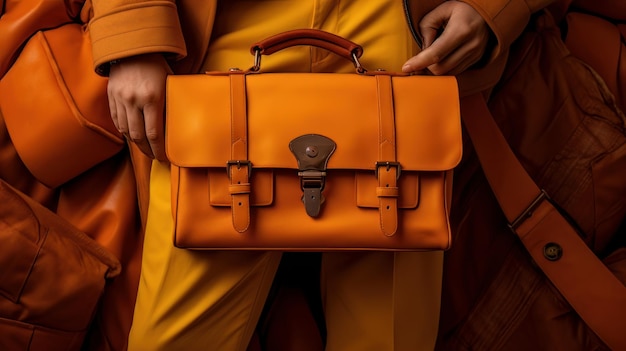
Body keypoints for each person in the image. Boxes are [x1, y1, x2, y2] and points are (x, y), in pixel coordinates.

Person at [88, 1, 555, 350]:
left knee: (389, 338)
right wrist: (133, 35)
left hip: (400, 27)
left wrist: (491, 5)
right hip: (222, 32)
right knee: (174, 336)